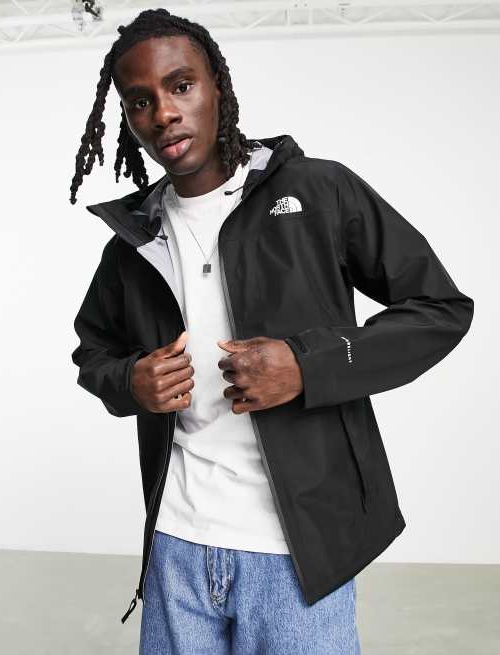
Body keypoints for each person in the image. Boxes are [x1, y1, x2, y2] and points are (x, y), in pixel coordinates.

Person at [69, 8, 474, 654]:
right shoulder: (133, 242)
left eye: (181, 85)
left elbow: (440, 308)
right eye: (140, 101)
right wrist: (129, 382)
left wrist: (307, 365)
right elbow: (93, 351)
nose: (164, 113)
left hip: (295, 555)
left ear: (217, 86)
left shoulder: (318, 190)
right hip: (177, 545)